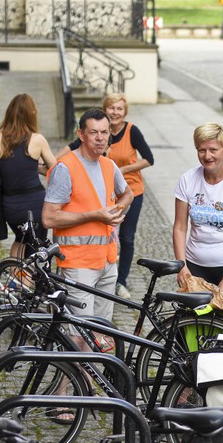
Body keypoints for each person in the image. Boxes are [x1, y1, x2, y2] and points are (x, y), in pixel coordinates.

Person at [56, 93, 154, 299]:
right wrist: (49, 163)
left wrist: (122, 170)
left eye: (119, 109)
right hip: (104, 197)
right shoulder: (92, 135)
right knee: (107, 233)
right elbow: (68, 151)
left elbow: (149, 159)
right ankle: (104, 273)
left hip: (132, 191)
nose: (115, 112)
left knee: (126, 237)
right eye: (112, 108)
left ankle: (121, 281)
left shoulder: (131, 131)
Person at [42, 108, 133, 322]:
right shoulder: (65, 168)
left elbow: (128, 193)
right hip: (78, 263)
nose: (100, 138)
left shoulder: (108, 165)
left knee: (102, 331)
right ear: (81, 135)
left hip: (108, 261)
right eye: (94, 132)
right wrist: (94, 215)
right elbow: (48, 218)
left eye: (104, 132)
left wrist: (116, 211)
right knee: (78, 333)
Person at [173, 123, 223, 310]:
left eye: (213, 150)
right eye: (201, 150)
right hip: (196, 265)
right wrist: (182, 266)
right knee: (193, 327)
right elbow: (179, 227)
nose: (207, 156)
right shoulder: (188, 180)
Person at [0, 94, 57, 258]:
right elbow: (55, 168)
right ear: (32, 114)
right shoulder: (38, 139)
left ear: (9, 113)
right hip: (36, 204)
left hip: (11, 205)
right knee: (33, 247)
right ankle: (25, 283)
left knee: (20, 240)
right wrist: (33, 168)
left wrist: (5, 170)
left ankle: (15, 281)